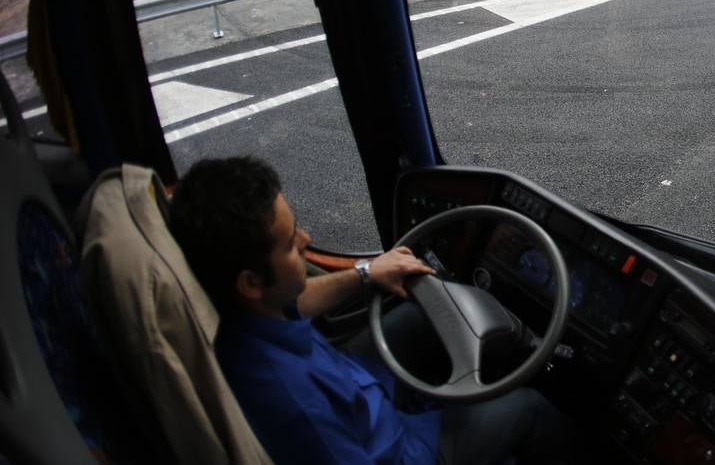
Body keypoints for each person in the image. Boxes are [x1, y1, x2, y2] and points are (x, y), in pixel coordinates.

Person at [169, 155, 572, 465]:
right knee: (528, 407)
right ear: (251, 282)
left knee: (422, 313)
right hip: (399, 447)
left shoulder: (250, 312)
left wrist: (366, 273)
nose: (307, 239)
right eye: (291, 244)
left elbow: (298, 299)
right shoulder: (296, 406)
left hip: (354, 389)